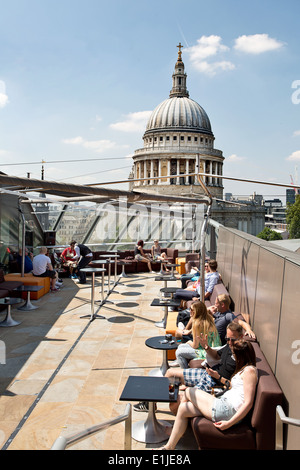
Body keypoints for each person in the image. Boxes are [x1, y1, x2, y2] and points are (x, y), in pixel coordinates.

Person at [160, 339, 257, 450]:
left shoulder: (250, 372)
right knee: (183, 408)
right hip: (223, 403)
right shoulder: (245, 370)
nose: (234, 357)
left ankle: (180, 428)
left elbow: (248, 403)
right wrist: (218, 377)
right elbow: (233, 387)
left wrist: (229, 423)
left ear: (242, 356)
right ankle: (168, 447)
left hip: (226, 410)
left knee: (188, 391)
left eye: (235, 355)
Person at [134, 322, 243, 413]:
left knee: (174, 404)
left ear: (241, 337)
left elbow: (235, 385)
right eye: (227, 339)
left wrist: (218, 377)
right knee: (170, 373)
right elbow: (216, 355)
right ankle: (154, 403)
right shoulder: (229, 346)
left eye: (232, 340)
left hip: (215, 383)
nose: (229, 342)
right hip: (207, 374)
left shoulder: (243, 356)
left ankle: (179, 420)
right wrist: (206, 347)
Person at [175, 301, 221, 368]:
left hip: (207, 352)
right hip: (214, 348)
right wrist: (190, 331)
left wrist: (189, 342)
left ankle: (184, 373)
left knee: (179, 352)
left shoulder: (197, 324)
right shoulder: (208, 318)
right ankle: (181, 362)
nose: (189, 311)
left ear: (196, 311)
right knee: (180, 346)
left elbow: (195, 346)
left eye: (191, 309)